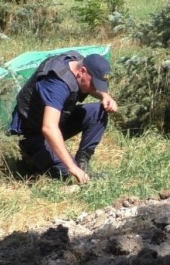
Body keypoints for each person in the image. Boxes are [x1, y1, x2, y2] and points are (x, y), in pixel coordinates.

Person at [9, 52, 118, 184]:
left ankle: (82, 161)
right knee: (66, 173)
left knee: (98, 111)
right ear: (82, 71)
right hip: (29, 134)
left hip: (54, 122)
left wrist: (104, 96)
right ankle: (28, 162)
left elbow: (90, 86)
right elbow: (49, 128)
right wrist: (72, 167)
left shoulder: (76, 62)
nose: (95, 89)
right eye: (94, 84)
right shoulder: (57, 84)